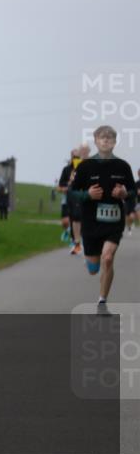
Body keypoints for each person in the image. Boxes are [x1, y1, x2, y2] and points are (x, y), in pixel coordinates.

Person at [68, 126, 136, 315]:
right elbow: (72, 193)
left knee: (108, 258)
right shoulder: (85, 166)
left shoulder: (123, 166)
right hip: (90, 223)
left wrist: (124, 193)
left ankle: (102, 303)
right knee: (93, 268)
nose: (106, 140)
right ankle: (89, 258)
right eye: (102, 137)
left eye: (110, 138)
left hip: (114, 222)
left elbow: (132, 193)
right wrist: (87, 195)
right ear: (96, 140)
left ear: (115, 142)